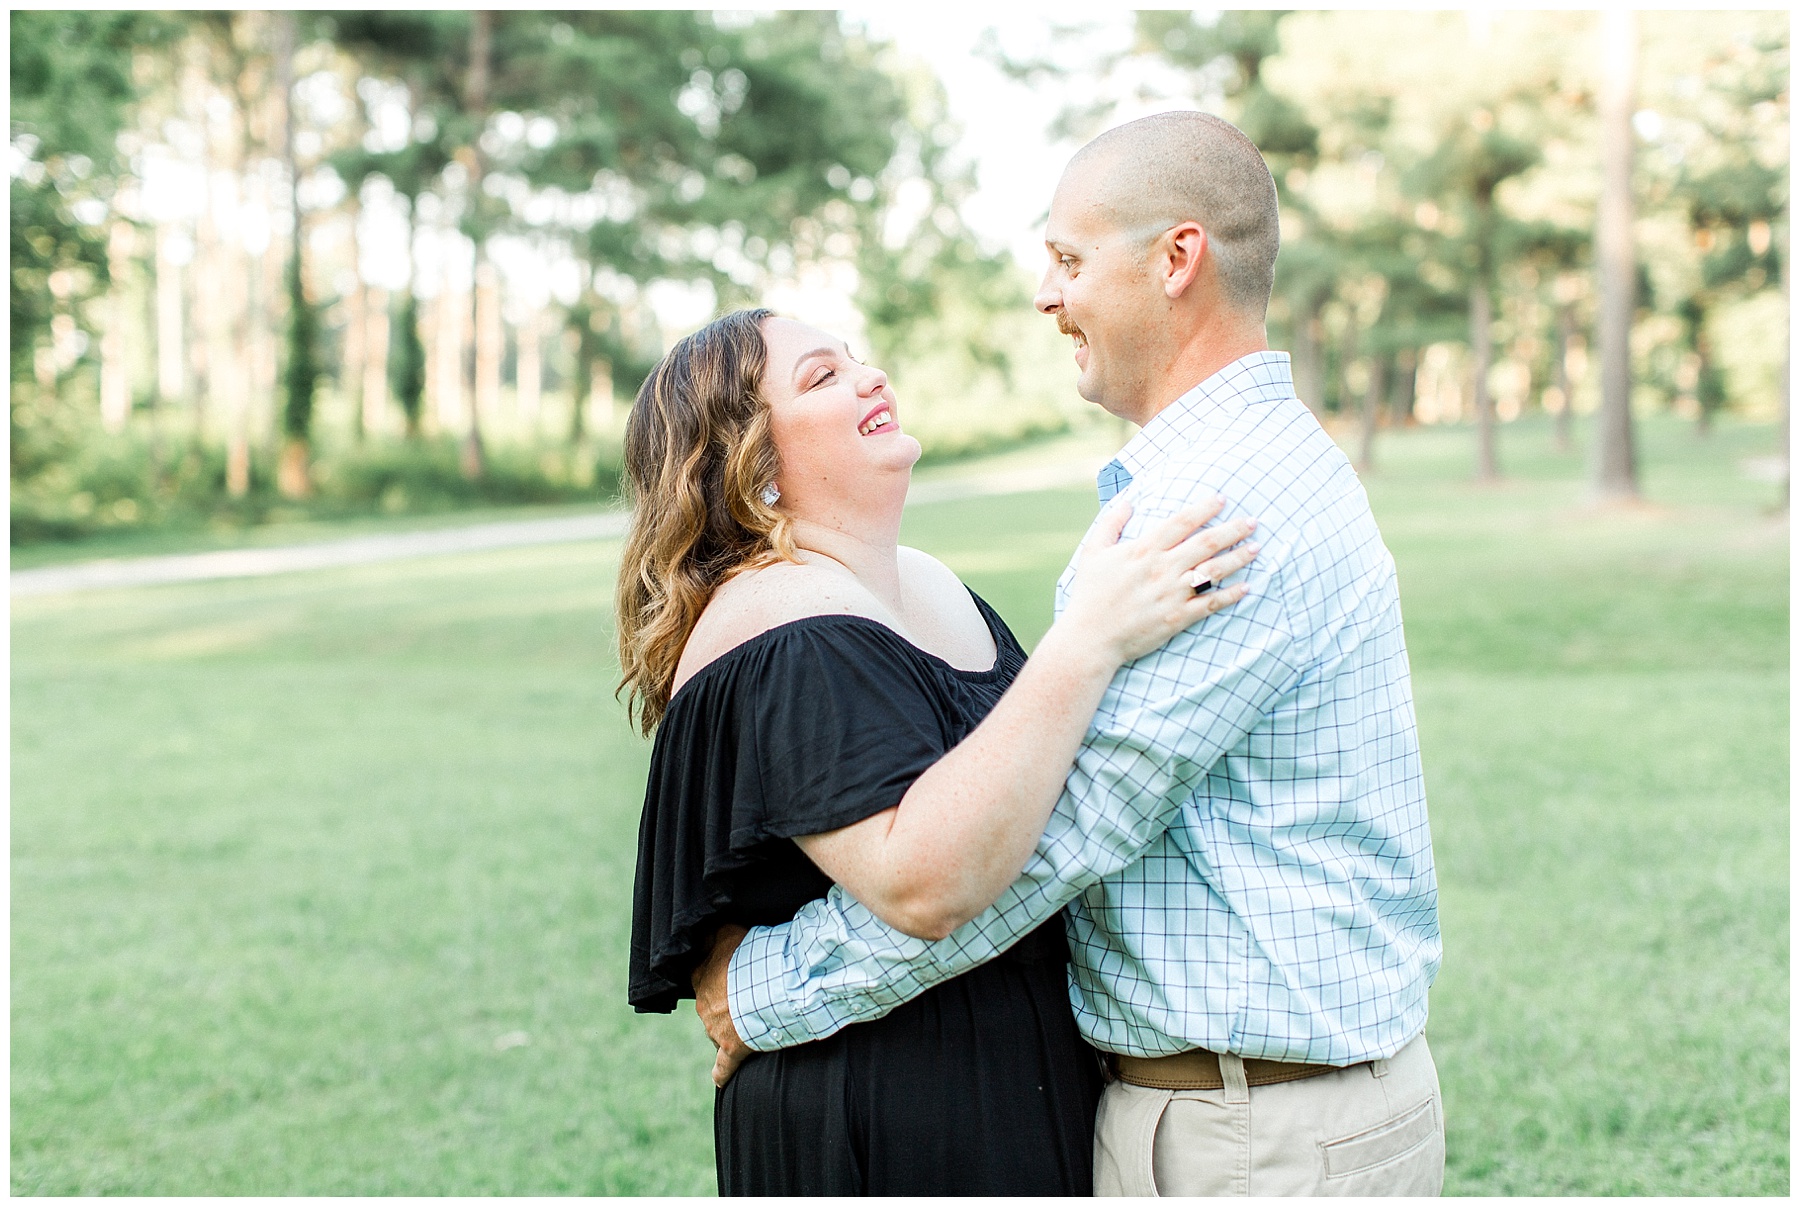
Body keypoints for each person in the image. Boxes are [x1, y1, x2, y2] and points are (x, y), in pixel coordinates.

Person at [697, 111, 1446, 1196]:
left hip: (1256, 1140)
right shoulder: (1244, 469)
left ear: (1176, 259)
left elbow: (1053, 835)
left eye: (1068, 260)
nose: (1047, 296)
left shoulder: (1216, 509)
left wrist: (759, 991)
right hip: (1260, 1115)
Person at [619, 307, 1262, 1195]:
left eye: (854, 359)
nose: (868, 376)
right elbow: (924, 882)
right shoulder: (779, 624)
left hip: (1018, 1067)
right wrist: (1089, 639)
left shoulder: (924, 579)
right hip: (884, 1104)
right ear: (753, 467)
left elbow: (1033, 786)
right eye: (821, 378)